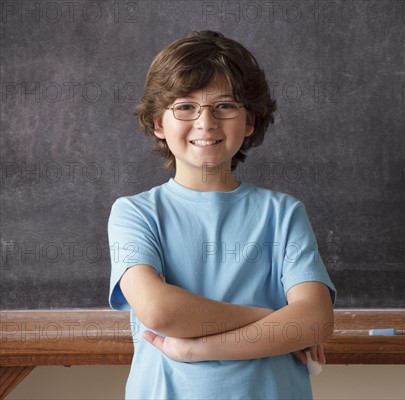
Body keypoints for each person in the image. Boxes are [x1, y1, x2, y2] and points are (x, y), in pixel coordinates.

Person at [107, 30, 336, 399]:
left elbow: (316, 320)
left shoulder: (282, 213)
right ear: (157, 123)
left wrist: (196, 348)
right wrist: (276, 320)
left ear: (249, 121)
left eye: (225, 105)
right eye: (185, 106)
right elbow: (159, 311)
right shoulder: (135, 214)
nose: (205, 123)